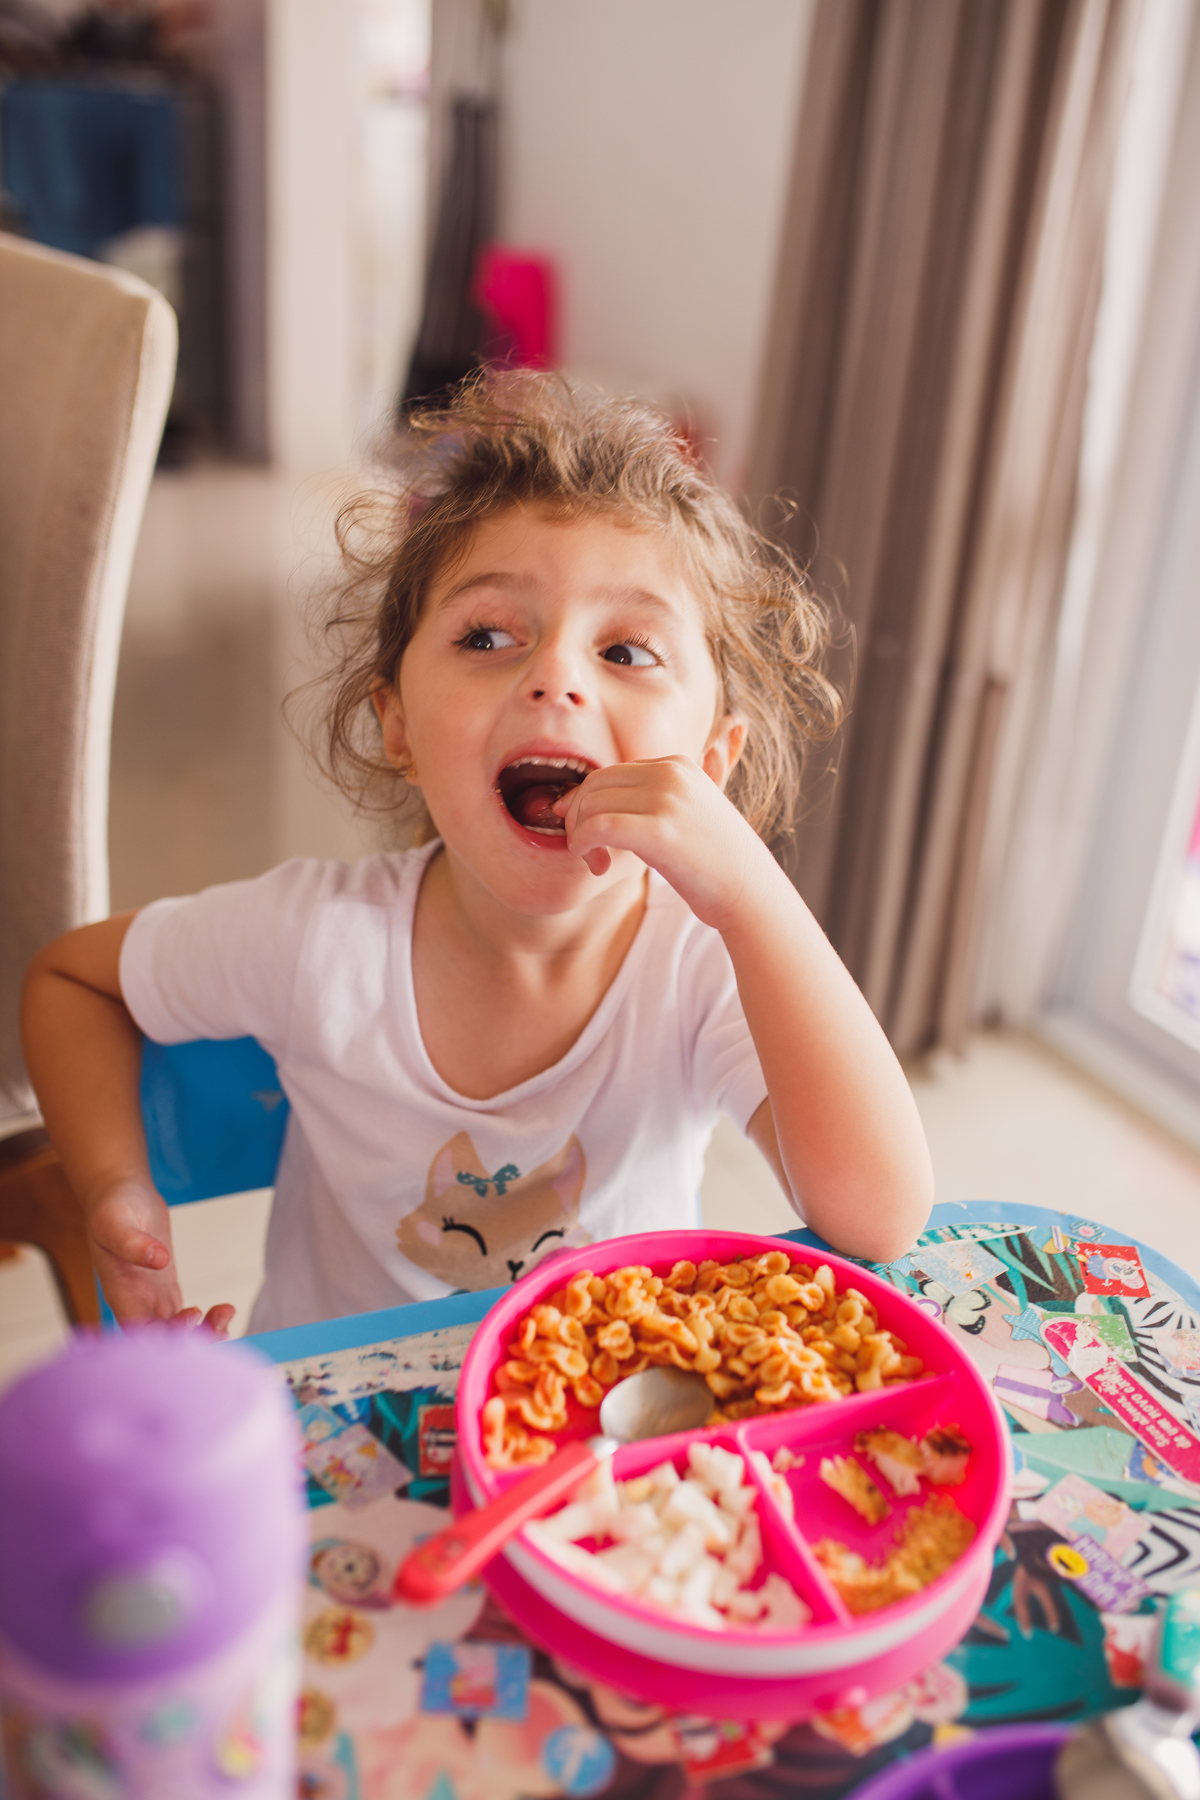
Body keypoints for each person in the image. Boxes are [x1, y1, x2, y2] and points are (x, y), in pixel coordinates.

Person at [21, 373, 933, 1335]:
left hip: (605, 1435)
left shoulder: (705, 966)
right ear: (398, 724)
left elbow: (879, 1218)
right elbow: (70, 983)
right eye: (489, 635)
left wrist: (755, 897)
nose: (555, 678)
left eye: (626, 652)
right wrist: (115, 1188)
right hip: (348, 1441)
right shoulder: (314, 940)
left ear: (710, 765)